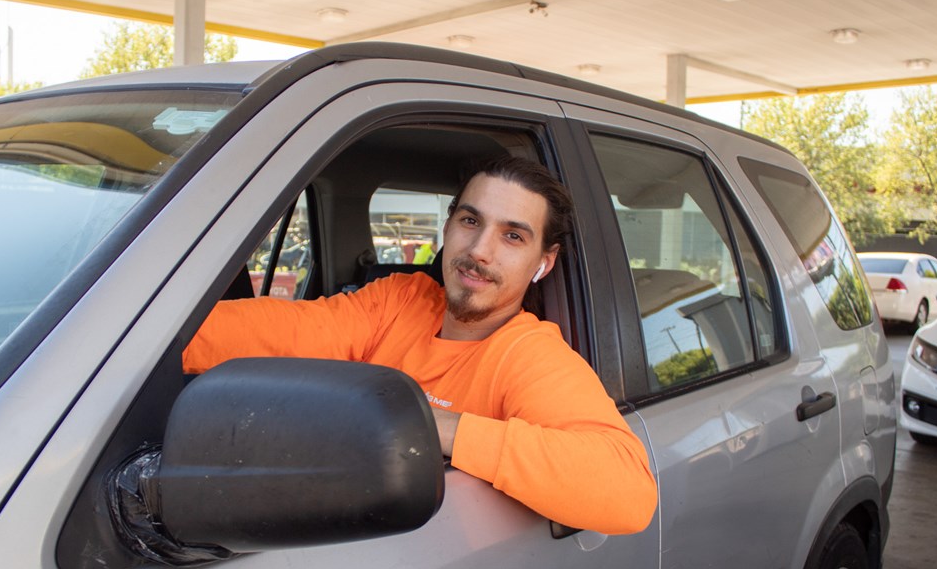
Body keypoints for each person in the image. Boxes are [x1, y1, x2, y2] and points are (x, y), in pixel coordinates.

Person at [184, 156, 657, 535]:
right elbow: (276, 333)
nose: (479, 251)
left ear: (543, 263)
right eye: (470, 220)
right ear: (448, 226)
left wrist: (434, 426)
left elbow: (629, 492)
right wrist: (148, 342)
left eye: (513, 236)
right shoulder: (398, 300)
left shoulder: (528, 355)